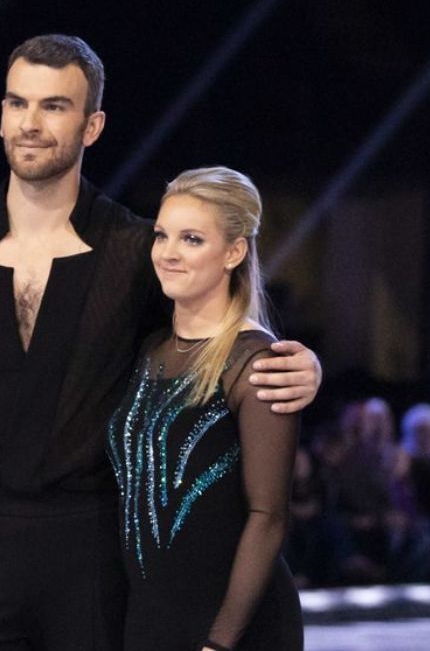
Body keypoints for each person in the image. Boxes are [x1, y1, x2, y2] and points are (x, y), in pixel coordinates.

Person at [0, 35, 321, 650]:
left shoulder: (138, 249)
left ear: (93, 125)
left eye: (54, 106)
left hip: (100, 560)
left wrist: (301, 365)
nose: (30, 123)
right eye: (17, 103)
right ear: (0, 113)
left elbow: (208, 339)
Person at [106, 167, 302, 650]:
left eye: (191, 239)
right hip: (151, 620)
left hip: (233, 628)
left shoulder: (256, 361)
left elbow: (268, 515)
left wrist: (220, 641)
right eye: (162, 235)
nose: (168, 252)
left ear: (234, 252)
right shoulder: (149, 349)